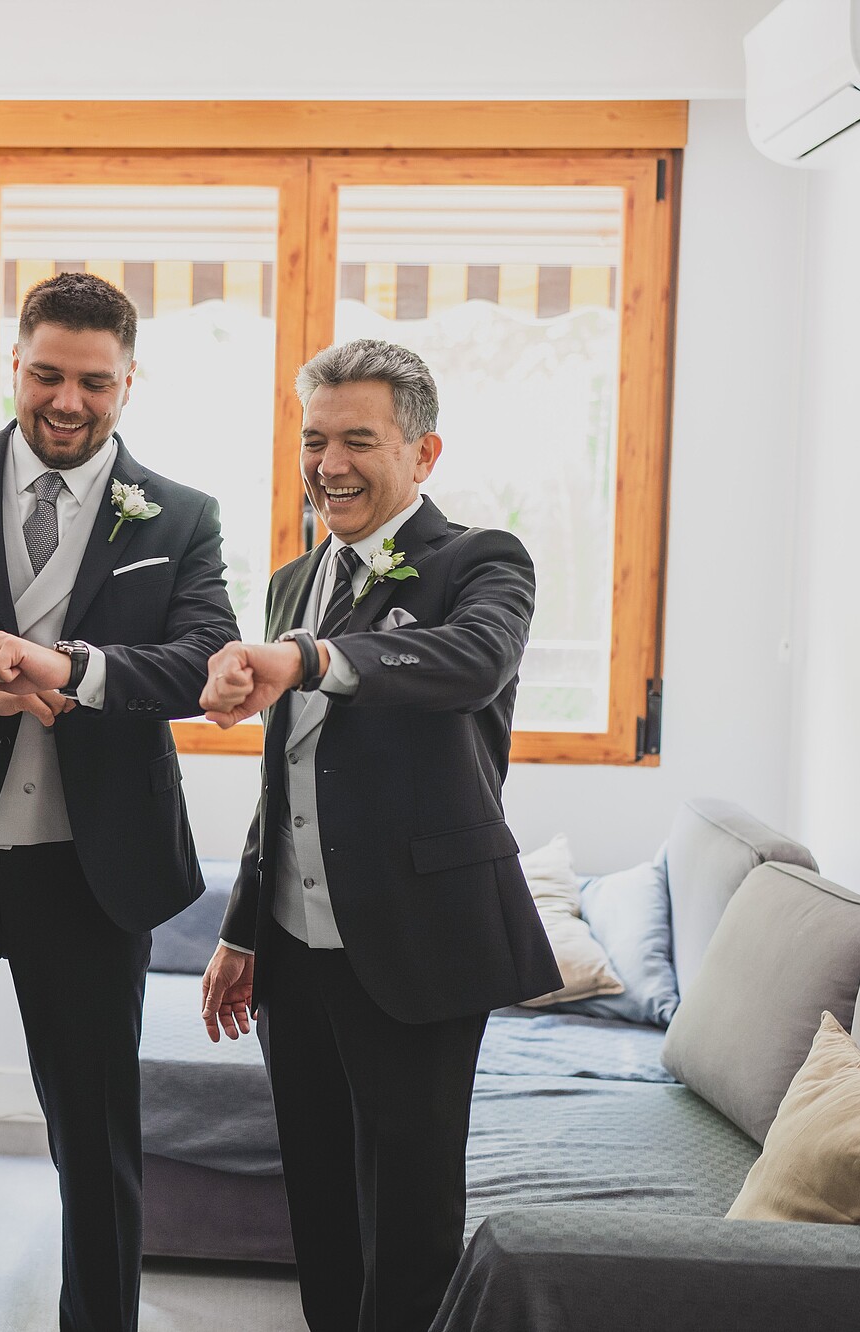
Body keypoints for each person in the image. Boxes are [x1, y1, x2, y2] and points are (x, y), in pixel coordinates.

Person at [0, 272, 239, 1332]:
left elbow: (202, 660)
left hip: (90, 871)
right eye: (44, 375)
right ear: (12, 362)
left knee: (95, 1139)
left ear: (128, 381)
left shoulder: (181, 514)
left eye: (91, 382)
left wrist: (70, 668)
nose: (65, 401)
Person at [196, 338, 561, 1332]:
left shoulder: (479, 561)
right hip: (295, 953)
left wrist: (308, 655)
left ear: (422, 452)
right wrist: (239, 932)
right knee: (313, 1198)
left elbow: (468, 665)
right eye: (314, 440)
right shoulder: (287, 583)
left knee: (405, 1215)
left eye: (357, 440)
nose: (329, 464)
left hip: (418, 940)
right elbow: (283, 785)